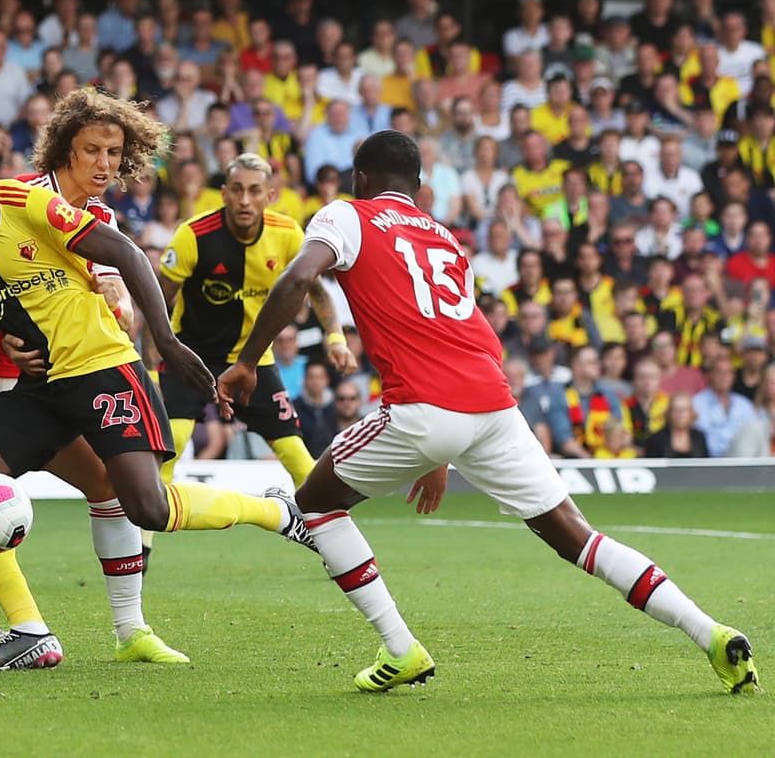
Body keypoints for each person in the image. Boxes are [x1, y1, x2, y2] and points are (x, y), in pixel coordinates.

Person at [217, 129, 759, 694]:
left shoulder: (346, 215)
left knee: (314, 503)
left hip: (423, 406)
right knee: (579, 537)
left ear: (360, 178)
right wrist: (439, 457)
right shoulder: (448, 241)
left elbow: (300, 277)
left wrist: (249, 361)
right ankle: (711, 632)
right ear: (420, 185)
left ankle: (400, 648)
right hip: (494, 404)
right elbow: (460, 329)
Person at [0, 123, 318, 671]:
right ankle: (18, 629)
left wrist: (166, 342)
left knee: (144, 505)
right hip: (21, 379)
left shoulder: (38, 206)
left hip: (99, 369)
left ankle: (272, 513)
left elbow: (127, 256)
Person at [0, 88, 172, 669]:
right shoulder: (11, 199)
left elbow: (104, 307)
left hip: (41, 380)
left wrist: (120, 304)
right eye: (92, 150)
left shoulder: (101, 223)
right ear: (62, 151)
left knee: (106, 485)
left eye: (115, 151)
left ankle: (131, 629)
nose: (105, 164)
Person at [152, 151, 348, 506]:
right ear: (224, 192)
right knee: (173, 445)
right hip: (191, 358)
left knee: (297, 455)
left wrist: (335, 338)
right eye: (237, 190)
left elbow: (317, 291)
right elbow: (156, 302)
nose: (245, 200)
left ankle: (338, 544)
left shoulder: (287, 234)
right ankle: (140, 551)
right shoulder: (193, 235)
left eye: (255, 191)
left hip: (253, 360)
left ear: (270, 195)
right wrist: (154, 363)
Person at [644, 393, 710, 458]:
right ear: (669, 413)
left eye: (684, 409)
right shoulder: (656, 439)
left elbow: (707, 464)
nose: (680, 414)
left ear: (691, 413)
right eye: (675, 409)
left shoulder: (699, 437)